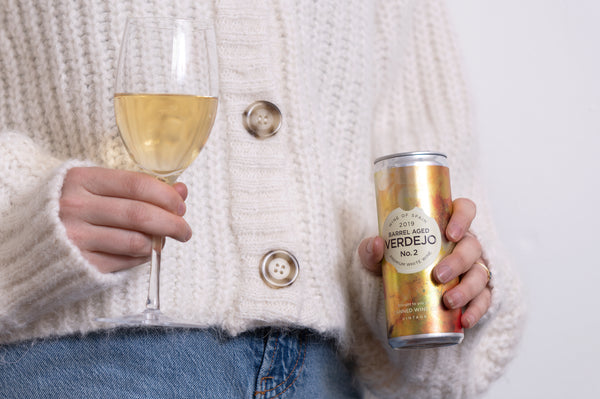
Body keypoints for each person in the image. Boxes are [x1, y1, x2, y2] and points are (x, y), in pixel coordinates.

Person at [0, 0, 524, 398]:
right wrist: (18, 226)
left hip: (329, 376)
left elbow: (427, 159)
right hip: (84, 361)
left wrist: (443, 286)